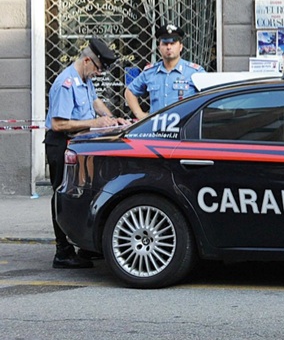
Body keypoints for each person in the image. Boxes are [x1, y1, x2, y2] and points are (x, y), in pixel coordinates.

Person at [45, 38, 125, 268]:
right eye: (98, 68)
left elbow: (96, 101)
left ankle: (83, 245)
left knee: (80, 194)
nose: (98, 74)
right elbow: (58, 124)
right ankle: (63, 251)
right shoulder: (66, 83)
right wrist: (95, 123)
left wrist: (110, 118)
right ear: (88, 60)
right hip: (61, 144)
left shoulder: (84, 79)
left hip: (78, 145)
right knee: (62, 194)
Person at [125, 24, 204, 119]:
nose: (169, 47)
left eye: (173, 43)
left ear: (181, 47)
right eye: (165, 44)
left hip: (184, 127)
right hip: (156, 128)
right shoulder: (150, 72)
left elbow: (211, 95)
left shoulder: (195, 72)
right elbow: (130, 92)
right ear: (159, 48)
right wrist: (140, 115)